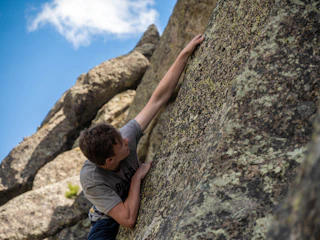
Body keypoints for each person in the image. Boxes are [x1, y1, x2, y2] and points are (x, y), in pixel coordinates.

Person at [79, 34, 205, 240]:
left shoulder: (123, 137)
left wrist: (184, 54)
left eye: (122, 137)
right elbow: (127, 220)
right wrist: (137, 178)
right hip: (107, 219)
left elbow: (157, 99)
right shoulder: (92, 179)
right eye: (121, 144)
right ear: (109, 160)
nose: (127, 141)